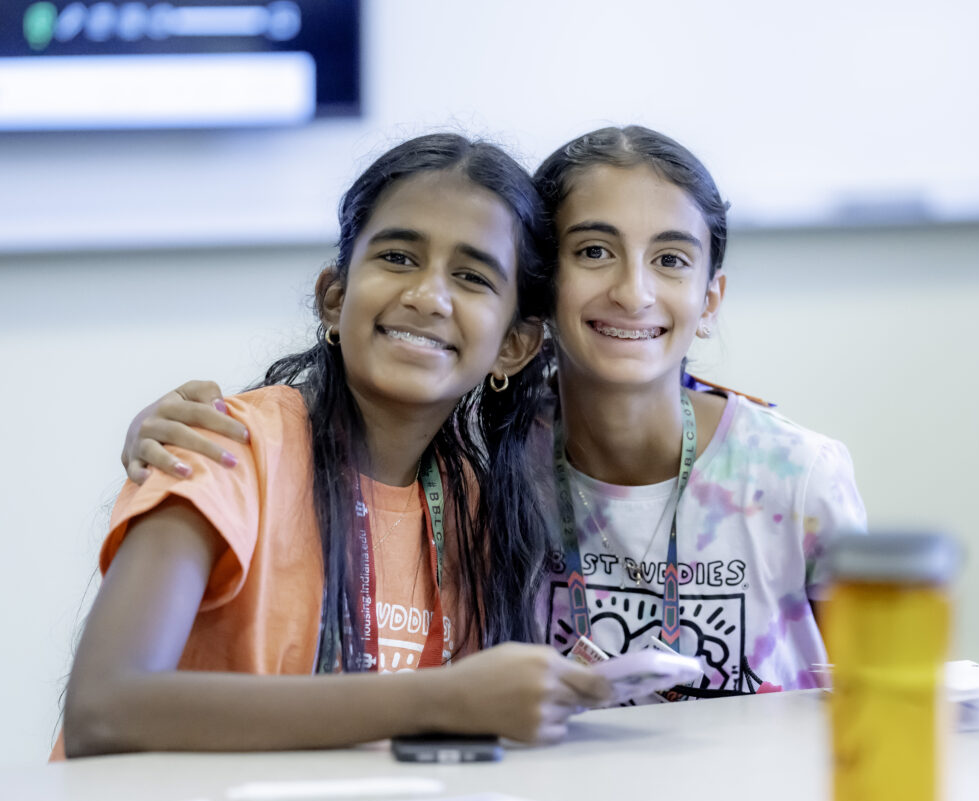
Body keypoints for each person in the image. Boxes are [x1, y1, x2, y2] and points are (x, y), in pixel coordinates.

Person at [119, 126, 867, 702]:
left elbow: (887, 698)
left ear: (710, 299)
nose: (634, 291)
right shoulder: (489, 465)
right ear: (535, 305)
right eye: (595, 250)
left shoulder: (797, 477)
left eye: (670, 259)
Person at [57, 133, 610, 759]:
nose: (428, 295)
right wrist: (442, 699)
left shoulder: (480, 511)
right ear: (335, 297)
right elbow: (105, 709)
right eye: (399, 257)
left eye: (472, 275)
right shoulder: (225, 445)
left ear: (514, 345)